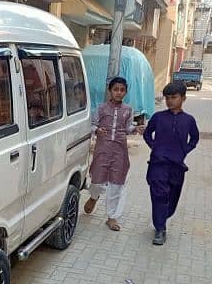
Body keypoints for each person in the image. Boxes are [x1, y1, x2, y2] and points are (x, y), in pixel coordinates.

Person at [83, 77, 145, 231]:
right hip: (102, 149)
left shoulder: (128, 110)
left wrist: (136, 129)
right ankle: (94, 196)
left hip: (120, 151)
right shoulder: (101, 108)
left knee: (117, 183)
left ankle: (112, 217)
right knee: (97, 178)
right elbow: (92, 125)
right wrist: (97, 130)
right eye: (116, 89)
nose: (119, 92)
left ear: (125, 92)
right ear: (110, 91)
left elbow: (128, 127)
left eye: (122, 90)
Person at [143, 82, 199, 246]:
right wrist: (155, 148)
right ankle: (160, 229)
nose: (170, 101)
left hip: (177, 167)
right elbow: (147, 134)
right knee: (159, 195)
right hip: (158, 165)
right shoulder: (158, 117)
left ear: (183, 98)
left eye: (174, 97)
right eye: (167, 98)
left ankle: (163, 218)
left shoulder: (189, 120)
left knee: (172, 198)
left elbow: (194, 139)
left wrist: (184, 151)